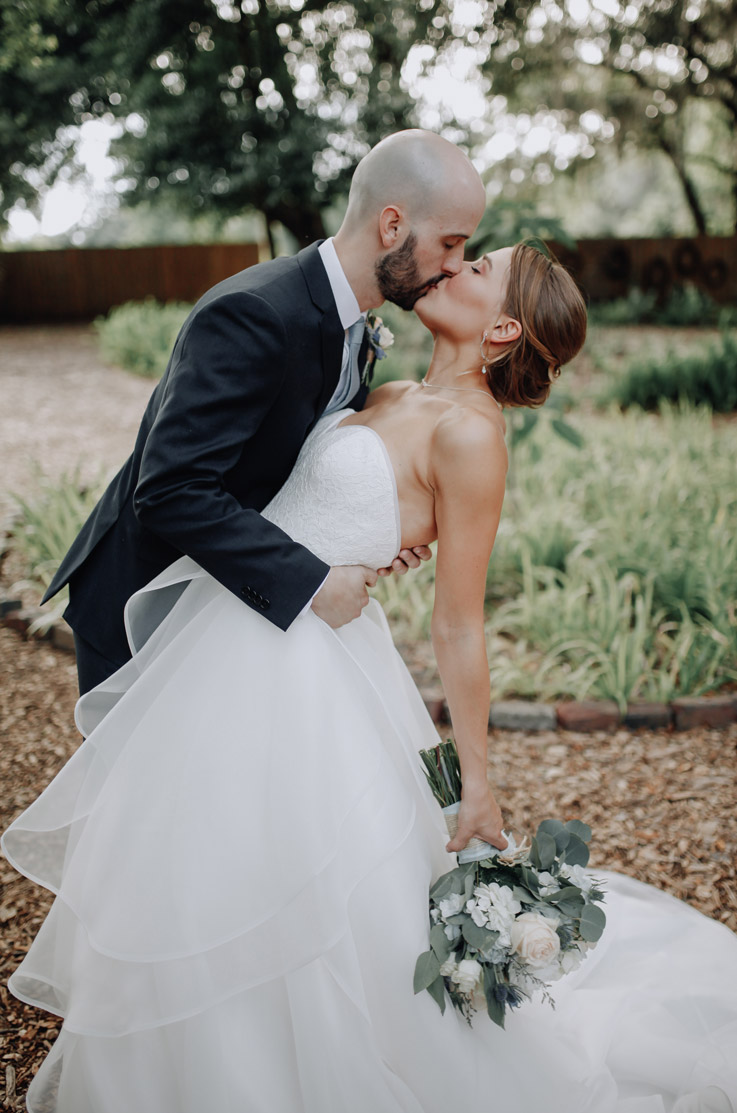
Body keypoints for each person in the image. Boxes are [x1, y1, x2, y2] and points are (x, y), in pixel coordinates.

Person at [4, 243, 737, 1113]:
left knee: (296, 887)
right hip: (230, 642)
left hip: (312, 679)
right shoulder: (386, 389)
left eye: (475, 267)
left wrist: (477, 783)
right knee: (196, 863)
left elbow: (458, 623)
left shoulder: (470, 436)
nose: (449, 267)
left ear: (502, 327)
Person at [41, 128, 487, 695]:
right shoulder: (256, 314)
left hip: (226, 607)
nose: (456, 264)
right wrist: (310, 583)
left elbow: (286, 454)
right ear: (392, 225)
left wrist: (367, 531)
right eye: (450, 243)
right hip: (148, 603)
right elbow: (172, 489)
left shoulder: (351, 322)